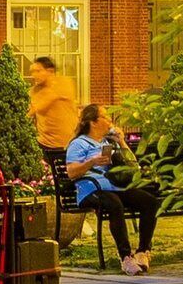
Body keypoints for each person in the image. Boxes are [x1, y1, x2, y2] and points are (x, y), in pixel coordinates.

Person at [67, 106, 159, 274]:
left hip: (115, 186)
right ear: (93, 122)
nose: (110, 121)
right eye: (105, 117)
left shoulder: (108, 142)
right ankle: (125, 257)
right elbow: (72, 172)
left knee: (149, 202)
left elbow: (133, 165)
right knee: (114, 203)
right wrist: (92, 162)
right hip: (91, 190)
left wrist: (121, 142)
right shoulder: (79, 143)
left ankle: (142, 251)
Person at [28, 56, 80, 155]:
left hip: (68, 145)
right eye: (32, 72)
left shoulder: (64, 83)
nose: (34, 75)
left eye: (38, 71)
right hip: (44, 144)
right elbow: (30, 112)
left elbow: (40, 105)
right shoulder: (34, 91)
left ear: (50, 71)